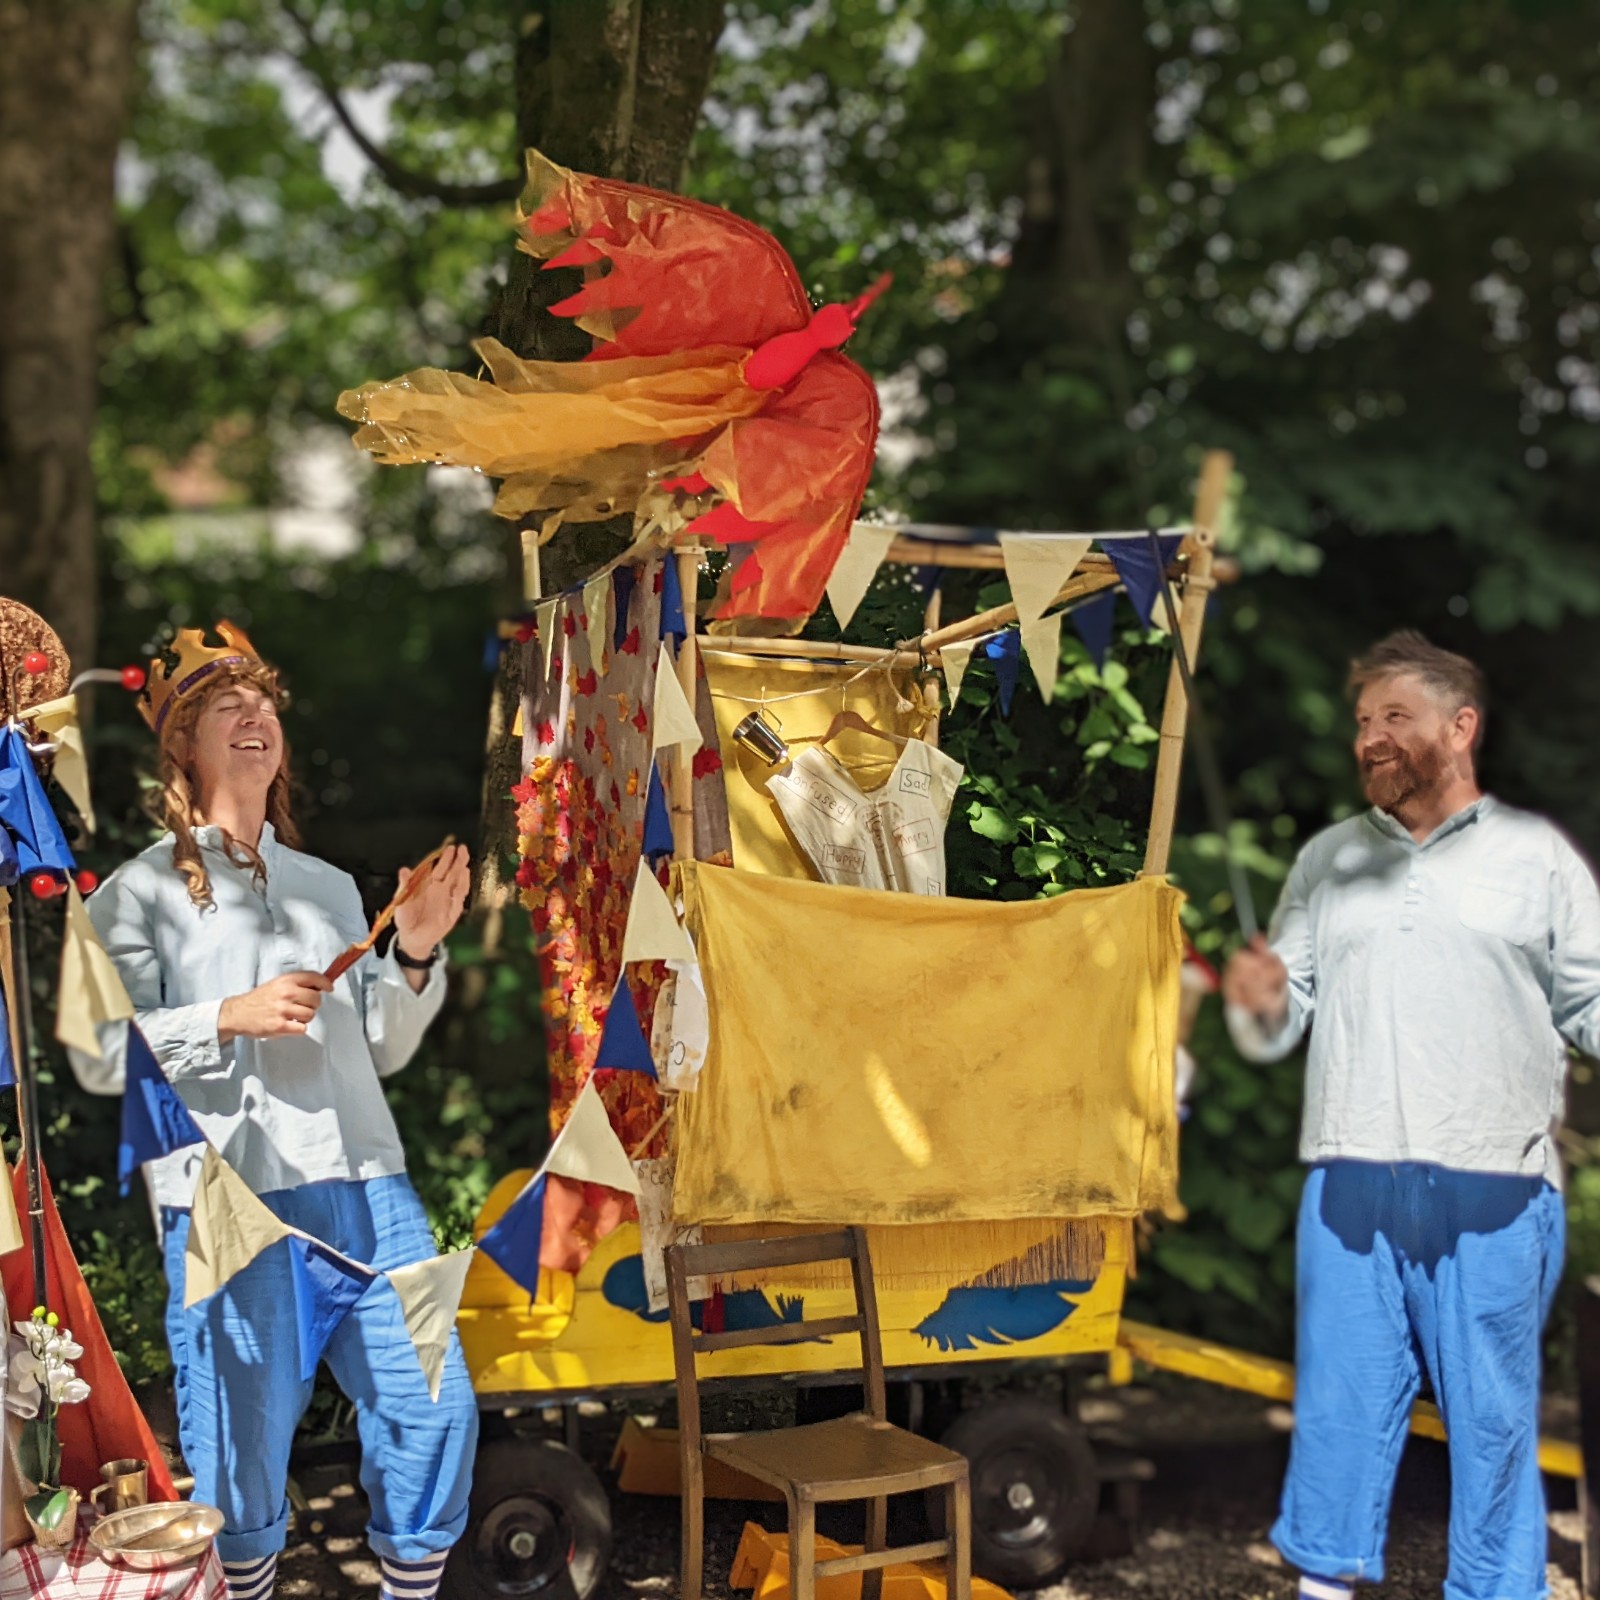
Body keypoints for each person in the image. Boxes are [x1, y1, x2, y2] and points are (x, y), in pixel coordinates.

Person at [86, 622, 478, 1600]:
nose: (255, 716)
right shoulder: (133, 894)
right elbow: (99, 1053)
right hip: (232, 1201)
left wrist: (417, 951)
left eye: (263, 704)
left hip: (370, 1189)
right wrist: (227, 1016)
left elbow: (378, 1042)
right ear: (182, 743)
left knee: (434, 1406)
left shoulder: (331, 887)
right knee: (240, 1442)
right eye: (228, 706)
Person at [1222, 630, 1598, 1600]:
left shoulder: (1537, 859)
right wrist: (1259, 999)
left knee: (1493, 1428)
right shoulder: (1326, 858)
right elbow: (1279, 1020)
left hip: (1496, 1186)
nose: (1371, 738)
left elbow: (1591, 1005)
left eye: (1395, 716)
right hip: (1349, 1186)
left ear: (1459, 725)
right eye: (1361, 722)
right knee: (1338, 1418)